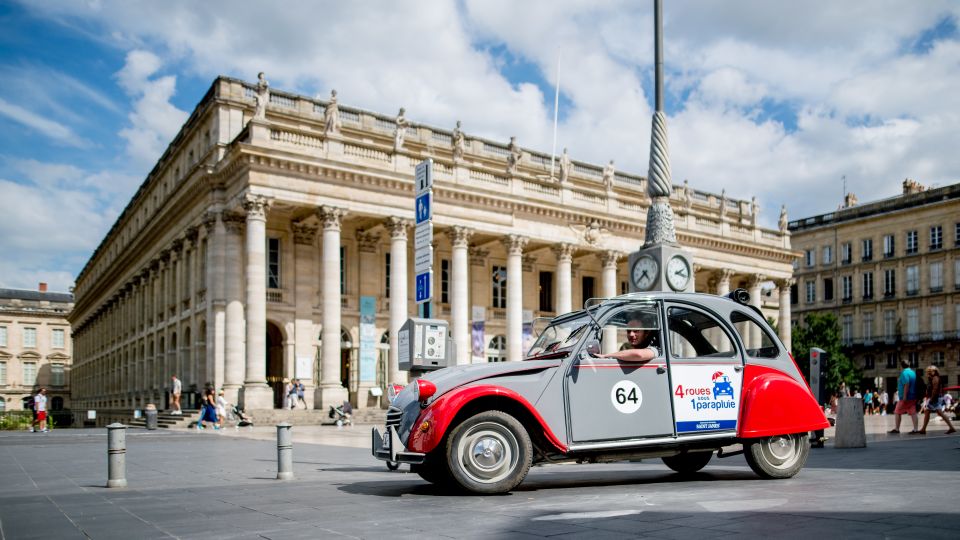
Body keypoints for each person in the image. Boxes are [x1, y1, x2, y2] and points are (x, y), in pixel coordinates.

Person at [917, 366, 956, 435]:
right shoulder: (933, 378)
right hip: (935, 398)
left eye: (930, 371)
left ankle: (951, 428)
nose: (928, 372)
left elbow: (935, 389)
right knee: (929, 411)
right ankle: (923, 429)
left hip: (935, 398)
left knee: (934, 412)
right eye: (928, 371)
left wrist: (931, 399)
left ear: (935, 371)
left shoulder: (935, 378)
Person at [889, 359, 919, 434]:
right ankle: (915, 429)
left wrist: (905, 396)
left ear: (901, 366)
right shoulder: (913, 372)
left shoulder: (904, 373)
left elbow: (906, 384)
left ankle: (897, 429)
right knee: (913, 412)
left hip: (905, 397)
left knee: (897, 411)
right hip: (913, 396)